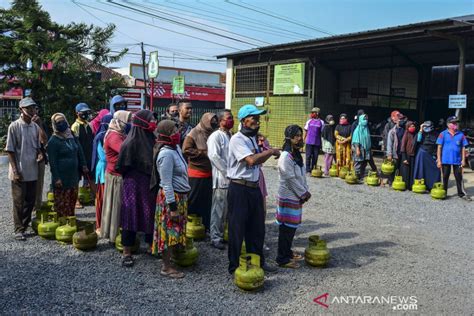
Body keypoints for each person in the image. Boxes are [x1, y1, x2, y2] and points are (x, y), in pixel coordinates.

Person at [227, 104, 280, 274]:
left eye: (258, 117)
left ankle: (258, 262)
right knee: (237, 229)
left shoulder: (253, 138)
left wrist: (266, 146)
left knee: (257, 229)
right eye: (254, 117)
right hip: (239, 188)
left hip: (254, 188)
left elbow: (259, 160)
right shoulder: (237, 139)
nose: (257, 120)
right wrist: (271, 151)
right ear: (243, 120)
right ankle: (235, 266)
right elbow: (250, 160)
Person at [116, 110, 157, 267]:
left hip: (149, 183)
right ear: (142, 122)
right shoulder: (130, 142)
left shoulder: (152, 139)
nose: (153, 122)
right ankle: (127, 251)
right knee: (130, 214)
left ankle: (150, 245)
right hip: (132, 185)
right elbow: (122, 166)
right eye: (150, 119)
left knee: (149, 213)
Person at [151, 120, 190, 279]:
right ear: (165, 134)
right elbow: (166, 183)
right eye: (174, 130)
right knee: (167, 232)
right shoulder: (165, 154)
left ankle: (172, 259)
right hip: (171, 198)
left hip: (180, 196)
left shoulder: (176, 148)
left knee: (175, 229)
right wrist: (173, 207)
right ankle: (166, 267)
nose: (177, 133)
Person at [6, 97, 43, 240]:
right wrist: (15, 171)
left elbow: (39, 146)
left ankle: (25, 224)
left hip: (32, 169)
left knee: (31, 200)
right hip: (19, 171)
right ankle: (18, 229)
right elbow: (10, 150)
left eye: (33, 108)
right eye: (28, 108)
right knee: (18, 201)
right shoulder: (14, 126)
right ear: (21, 110)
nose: (32, 110)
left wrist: (39, 154)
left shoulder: (35, 127)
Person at [276, 125, 310, 268]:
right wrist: (303, 193)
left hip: (296, 196)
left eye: (300, 135)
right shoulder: (285, 156)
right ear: (289, 138)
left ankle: (287, 252)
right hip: (288, 196)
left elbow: (300, 176)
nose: (299, 138)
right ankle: (282, 258)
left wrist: (304, 190)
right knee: (286, 229)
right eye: (296, 136)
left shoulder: (295, 154)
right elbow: (290, 178)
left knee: (292, 227)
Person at [47, 113, 88, 218]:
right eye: (58, 122)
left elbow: (80, 151)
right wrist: (57, 178)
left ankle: (71, 221)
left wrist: (83, 164)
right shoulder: (53, 141)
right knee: (62, 204)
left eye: (63, 121)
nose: (61, 124)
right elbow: (53, 162)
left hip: (73, 176)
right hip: (61, 178)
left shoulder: (72, 135)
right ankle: (62, 226)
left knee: (72, 201)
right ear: (54, 125)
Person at [182, 112, 218, 232]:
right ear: (204, 121)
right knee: (193, 200)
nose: (213, 124)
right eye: (211, 121)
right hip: (196, 173)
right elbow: (186, 149)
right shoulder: (194, 133)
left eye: (214, 122)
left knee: (207, 201)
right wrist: (203, 153)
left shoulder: (212, 133)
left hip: (209, 172)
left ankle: (205, 226)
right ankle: (190, 227)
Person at [100, 110, 132, 242]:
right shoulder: (114, 136)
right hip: (115, 176)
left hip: (117, 173)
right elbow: (126, 151)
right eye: (127, 120)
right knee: (116, 205)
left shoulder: (119, 133)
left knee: (116, 205)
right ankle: (115, 234)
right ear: (119, 121)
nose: (128, 123)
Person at [207, 110, 233, 250]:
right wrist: (227, 172)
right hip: (221, 179)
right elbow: (214, 156)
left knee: (228, 210)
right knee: (218, 209)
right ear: (221, 120)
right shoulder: (215, 136)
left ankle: (223, 235)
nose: (231, 120)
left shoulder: (230, 135)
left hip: (232, 178)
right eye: (229, 118)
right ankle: (215, 237)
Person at [436, 116, 470, 200]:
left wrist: (463, 160)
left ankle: (461, 193)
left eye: (456, 123)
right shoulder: (442, 134)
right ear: (448, 124)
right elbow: (439, 147)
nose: (455, 124)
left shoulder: (461, 135)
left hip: (457, 160)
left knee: (458, 177)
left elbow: (463, 148)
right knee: (445, 177)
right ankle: (443, 193)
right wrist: (439, 160)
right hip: (445, 160)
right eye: (453, 123)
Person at [91, 114, 113, 233]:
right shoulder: (100, 136)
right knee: (101, 199)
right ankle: (99, 225)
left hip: (107, 169)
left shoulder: (108, 135)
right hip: (103, 169)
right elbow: (103, 157)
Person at [71, 102, 94, 208]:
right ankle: (75, 201)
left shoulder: (88, 125)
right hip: (79, 157)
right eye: (83, 112)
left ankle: (92, 197)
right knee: (76, 180)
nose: (85, 114)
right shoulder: (75, 126)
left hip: (89, 155)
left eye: (87, 112)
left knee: (90, 177)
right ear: (77, 113)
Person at [413, 121, 440, 190]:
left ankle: (432, 185)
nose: (426, 128)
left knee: (435, 170)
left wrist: (437, 156)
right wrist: (420, 130)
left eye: (427, 127)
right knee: (421, 170)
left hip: (432, 154)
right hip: (422, 154)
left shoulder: (436, 134)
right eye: (425, 127)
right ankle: (420, 184)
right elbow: (418, 140)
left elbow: (438, 146)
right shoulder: (421, 133)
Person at [32, 104, 49, 211]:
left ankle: (37, 207)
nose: (34, 111)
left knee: (39, 185)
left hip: (40, 159)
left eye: (36, 109)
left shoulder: (41, 123)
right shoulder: (19, 125)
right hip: (26, 159)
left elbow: (44, 141)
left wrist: (39, 126)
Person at [386, 113, 407, 185]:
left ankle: (399, 183)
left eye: (402, 119)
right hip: (395, 153)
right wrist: (389, 154)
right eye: (399, 119)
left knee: (402, 169)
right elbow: (389, 144)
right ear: (396, 120)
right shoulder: (392, 131)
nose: (401, 121)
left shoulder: (406, 130)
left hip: (403, 153)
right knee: (393, 169)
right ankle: (390, 182)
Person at [303, 107, 324, 173]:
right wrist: (304, 139)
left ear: (317, 113)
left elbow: (322, 133)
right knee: (308, 156)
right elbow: (306, 131)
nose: (311, 114)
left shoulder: (321, 122)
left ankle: (313, 169)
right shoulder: (309, 121)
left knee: (315, 157)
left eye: (313, 113)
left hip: (317, 142)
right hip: (309, 142)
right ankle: (307, 169)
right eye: (311, 113)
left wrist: (322, 143)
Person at [351, 114, 372, 180]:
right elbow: (356, 140)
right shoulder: (358, 130)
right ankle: (355, 177)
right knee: (358, 162)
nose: (365, 121)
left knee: (364, 163)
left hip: (366, 149)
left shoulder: (366, 128)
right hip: (359, 148)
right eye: (364, 119)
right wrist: (357, 149)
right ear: (360, 120)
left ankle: (361, 176)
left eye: (366, 119)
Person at [400, 121, 417, 190]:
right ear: (408, 127)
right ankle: (405, 185)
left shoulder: (415, 134)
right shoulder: (406, 134)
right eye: (411, 126)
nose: (413, 127)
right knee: (406, 171)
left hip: (412, 155)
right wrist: (404, 158)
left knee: (411, 171)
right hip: (406, 155)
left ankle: (410, 186)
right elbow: (403, 147)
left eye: (414, 126)